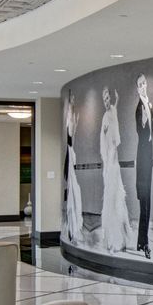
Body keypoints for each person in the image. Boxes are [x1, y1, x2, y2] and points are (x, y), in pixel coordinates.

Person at [133, 75, 153, 258]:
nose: (143, 86)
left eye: (144, 83)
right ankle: (144, 243)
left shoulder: (147, 104)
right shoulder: (139, 108)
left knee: (147, 202)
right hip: (143, 157)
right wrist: (144, 121)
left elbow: (150, 119)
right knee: (144, 202)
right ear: (137, 89)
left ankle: (140, 241)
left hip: (148, 156)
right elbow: (140, 128)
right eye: (140, 85)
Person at [99, 86, 132, 251]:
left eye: (108, 99)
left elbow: (115, 112)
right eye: (104, 99)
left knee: (118, 198)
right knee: (111, 198)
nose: (106, 102)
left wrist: (117, 99)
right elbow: (105, 142)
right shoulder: (105, 116)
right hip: (110, 163)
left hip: (115, 162)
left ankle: (121, 239)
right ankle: (113, 239)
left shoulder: (111, 111)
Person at [62, 95, 83, 244]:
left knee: (74, 198)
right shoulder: (70, 121)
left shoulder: (72, 121)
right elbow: (71, 136)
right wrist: (74, 124)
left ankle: (73, 230)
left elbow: (72, 137)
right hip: (69, 163)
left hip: (71, 161)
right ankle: (72, 229)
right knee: (73, 198)